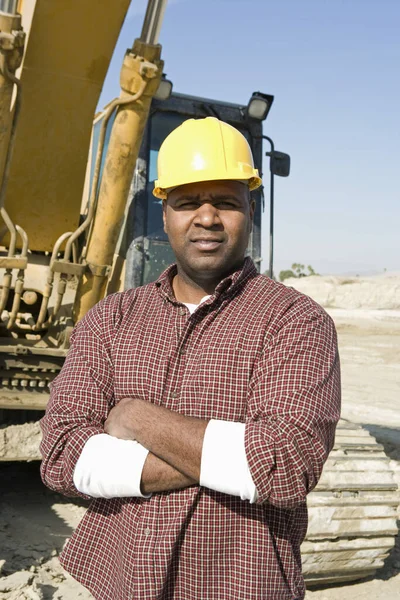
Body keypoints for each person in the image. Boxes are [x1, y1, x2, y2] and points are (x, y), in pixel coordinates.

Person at [40, 117, 341, 600]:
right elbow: (61, 457)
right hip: (118, 580)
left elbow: (284, 465)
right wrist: (226, 452)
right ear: (164, 214)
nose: (206, 217)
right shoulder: (111, 318)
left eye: (225, 202)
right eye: (187, 202)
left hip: (238, 583)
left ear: (251, 209)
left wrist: (135, 417)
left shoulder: (295, 321)